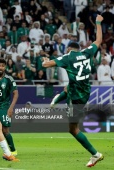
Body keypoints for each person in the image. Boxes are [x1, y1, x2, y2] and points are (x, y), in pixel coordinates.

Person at [42, 15, 104, 167]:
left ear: (69, 48)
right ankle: (60, 96)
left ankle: (95, 154)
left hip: (75, 98)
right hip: (85, 92)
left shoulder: (67, 57)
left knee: (73, 129)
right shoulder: (87, 52)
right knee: (70, 86)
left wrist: (44, 61)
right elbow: (98, 40)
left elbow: (47, 65)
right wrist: (97, 23)